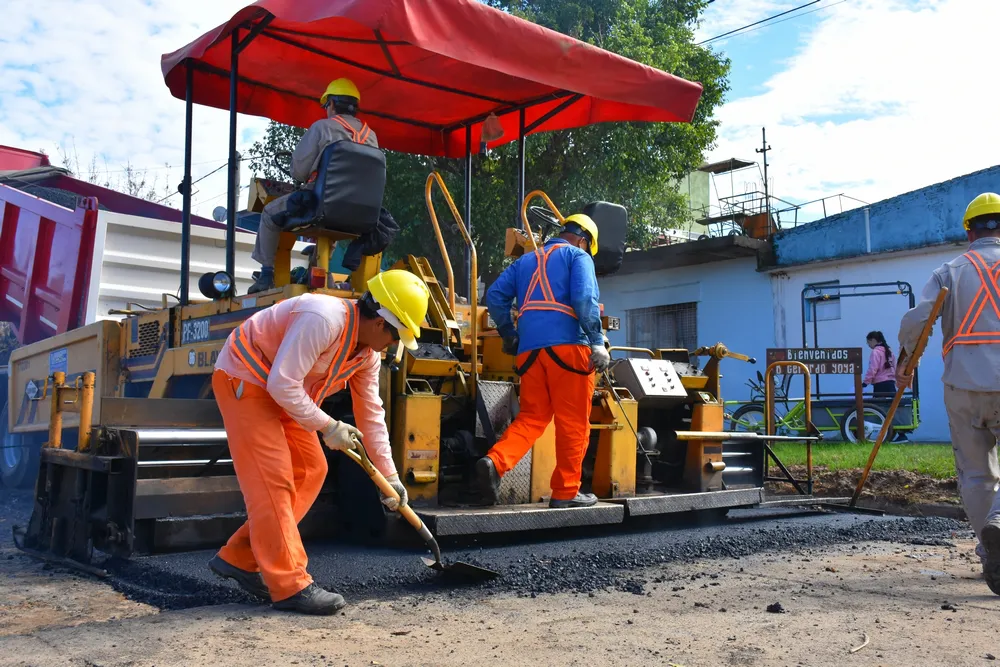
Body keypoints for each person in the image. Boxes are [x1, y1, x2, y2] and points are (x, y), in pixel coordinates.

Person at [208, 269, 430, 614]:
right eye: (397, 335)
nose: (394, 344)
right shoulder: (323, 319)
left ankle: (240, 556)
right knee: (274, 480)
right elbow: (282, 384)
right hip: (246, 378)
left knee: (312, 469)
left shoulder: (367, 356)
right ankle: (290, 586)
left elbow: (371, 413)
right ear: (379, 323)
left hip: (287, 393)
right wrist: (328, 426)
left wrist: (390, 477)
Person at [896, 192, 1000, 595]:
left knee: (975, 474)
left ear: (969, 231)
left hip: (962, 384)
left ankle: (989, 549)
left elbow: (918, 321)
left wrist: (905, 362)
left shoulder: (949, 272)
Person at [476, 214, 609, 509]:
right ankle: (566, 492)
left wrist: (509, 334)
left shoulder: (525, 261)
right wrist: (597, 341)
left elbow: (495, 296)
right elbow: (584, 299)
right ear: (583, 241)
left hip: (530, 352)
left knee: (532, 417)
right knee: (573, 423)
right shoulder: (578, 257)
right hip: (569, 350)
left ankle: (495, 462)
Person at [249, 78, 379, 294]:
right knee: (333, 220)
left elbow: (298, 172)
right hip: (361, 214)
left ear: (332, 104)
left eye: (326, 105)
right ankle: (316, 265)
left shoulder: (322, 128)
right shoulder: (371, 136)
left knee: (270, 213)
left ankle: (266, 275)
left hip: (324, 205)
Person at [862, 330, 907, 442]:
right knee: (892, 408)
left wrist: (865, 382)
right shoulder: (889, 351)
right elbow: (895, 367)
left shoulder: (875, 352)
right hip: (890, 384)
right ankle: (900, 434)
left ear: (873, 340)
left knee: (878, 410)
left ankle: (880, 434)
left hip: (880, 385)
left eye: (868, 342)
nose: (868, 345)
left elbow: (873, 369)